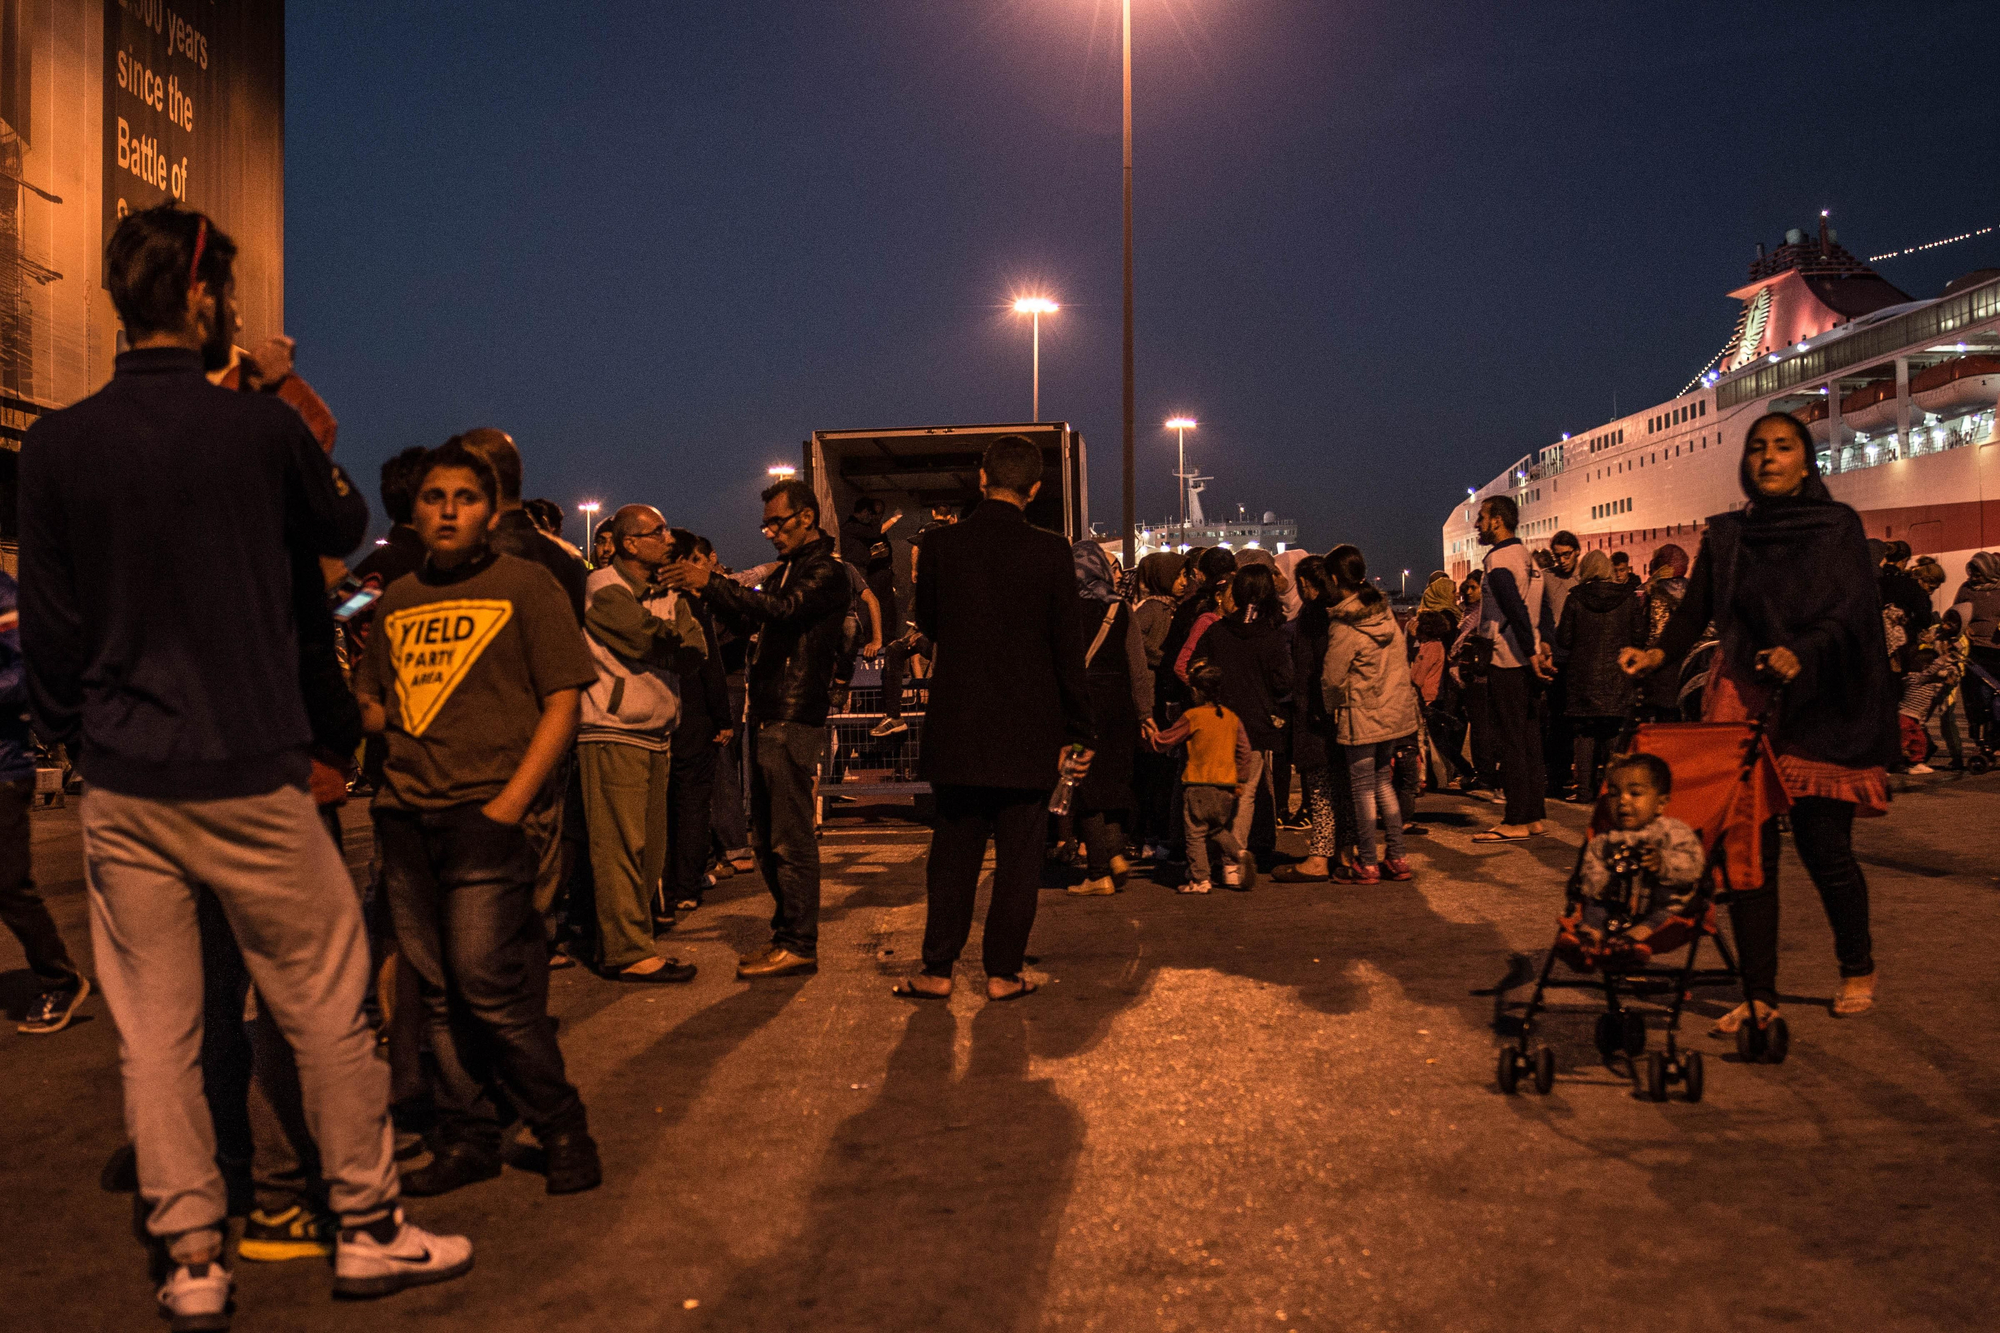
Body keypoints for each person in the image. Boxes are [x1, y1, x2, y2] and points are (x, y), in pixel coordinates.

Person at [20, 205, 470, 1322]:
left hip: (129, 775)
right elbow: (343, 525)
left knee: (160, 1033)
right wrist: (270, 390)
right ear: (206, 297)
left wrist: (81, 732)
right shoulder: (258, 429)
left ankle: (190, 1258)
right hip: (254, 764)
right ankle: (366, 1229)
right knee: (323, 1006)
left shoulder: (58, 442)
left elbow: (54, 628)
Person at [357, 440, 602, 1201]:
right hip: (406, 814)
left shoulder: (526, 585)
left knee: (485, 981)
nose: (448, 510)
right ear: (415, 511)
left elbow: (564, 699)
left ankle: (563, 1125)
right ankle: (469, 1136)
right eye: (433, 497)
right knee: (430, 992)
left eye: (465, 496)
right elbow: (375, 701)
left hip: (488, 814)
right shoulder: (396, 598)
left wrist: (508, 805)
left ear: (491, 510)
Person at [1623, 411, 1896, 1029]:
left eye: (1783, 447)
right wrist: (1657, 653)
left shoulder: (1836, 526)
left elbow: (1851, 610)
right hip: (1744, 702)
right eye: (1757, 449)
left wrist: (1803, 652)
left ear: (1805, 460)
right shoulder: (1728, 534)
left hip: (1820, 703)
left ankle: (1858, 964)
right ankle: (1760, 993)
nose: (1768, 458)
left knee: (1827, 850)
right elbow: (1695, 612)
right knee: (1750, 857)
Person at [891, 436, 1092, 1000]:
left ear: (981, 479)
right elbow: (1066, 651)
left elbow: (929, 622)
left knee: (952, 855)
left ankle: (937, 970)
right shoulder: (1052, 552)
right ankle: (1002, 973)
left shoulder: (940, 547)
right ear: (1035, 489)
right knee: (1018, 861)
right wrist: (1080, 730)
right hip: (1031, 729)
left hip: (960, 724)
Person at [661, 477, 849, 979]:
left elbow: (782, 613)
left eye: (777, 522)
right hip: (769, 713)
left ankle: (798, 943)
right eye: (765, 523)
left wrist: (712, 583)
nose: (769, 532)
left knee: (789, 837)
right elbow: (752, 620)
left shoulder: (826, 572)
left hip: (792, 715)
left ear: (807, 517)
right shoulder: (788, 570)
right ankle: (786, 936)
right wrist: (705, 591)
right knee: (766, 838)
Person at [576, 505, 707, 982]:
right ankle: (626, 950)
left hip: (655, 734)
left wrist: (674, 637)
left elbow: (697, 650)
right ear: (630, 543)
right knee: (618, 848)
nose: (669, 539)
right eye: (658, 532)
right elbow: (642, 639)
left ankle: (632, 937)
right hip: (613, 731)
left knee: (649, 848)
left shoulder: (669, 593)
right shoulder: (604, 588)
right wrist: (674, 640)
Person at [0, 567, 90, 1034]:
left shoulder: (3, 593)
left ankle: (60, 978)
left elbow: (24, 675)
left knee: (8, 884)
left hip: (3, 766)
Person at [1185, 562, 1292, 886]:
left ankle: (1209, 857)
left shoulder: (1216, 631)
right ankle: (1234, 860)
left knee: (1215, 789)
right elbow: (1284, 682)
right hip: (1256, 726)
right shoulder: (1272, 636)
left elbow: (1194, 667)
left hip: (1218, 723)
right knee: (1245, 794)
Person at [1555, 753, 1706, 972]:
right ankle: (1587, 942)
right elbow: (1591, 869)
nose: (1623, 801)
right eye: (1614, 794)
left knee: (1661, 914)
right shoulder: (1606, 839)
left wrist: (1663, 864)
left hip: (1661, 906)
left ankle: (1628, 945)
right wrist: (1602, 882)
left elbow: (1693, 867)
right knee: (1595, 909)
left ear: (1661, 803)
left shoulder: (1673, 832)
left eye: (1635, 793)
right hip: (1616, 906)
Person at [1321, 548, 1419, 883]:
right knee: (1383, 783)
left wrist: (1330, 708)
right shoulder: (1384, 612)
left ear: (1335, 579)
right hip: (1392, 711)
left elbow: (1333, 677)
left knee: (1362, 788)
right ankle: (1398, 856)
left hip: (1362, 712)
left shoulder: (1344, 622)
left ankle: (1368, 861)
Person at [1066, 541, 1152, 895]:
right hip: (1119, 707)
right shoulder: (1122, 608)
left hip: (1082, 704)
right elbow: (1138, 666)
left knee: (1084, 785)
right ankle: (1116, 855)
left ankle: (1098, 871)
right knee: (1114, 781)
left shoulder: (1066, 609)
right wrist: (1145, 713)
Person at [1471, 496, 1548, 842]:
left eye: (1482, 517)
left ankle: (1515, 817)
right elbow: (1538, 610)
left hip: (1508, 658)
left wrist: (1530, 651)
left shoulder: (1499, 560)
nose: (1478, 524)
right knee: (1530, 738)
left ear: (1498, 521)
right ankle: (1534, 815)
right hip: (1527, 660)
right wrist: (1542, 645)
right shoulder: (1528, 559)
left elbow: (1513, 607)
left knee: (1510, 741)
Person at [1272, 557, 1354, 882]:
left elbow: (1311, 672)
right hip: (1345, 715)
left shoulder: (1311, 616)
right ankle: (1347, 853)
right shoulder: (1345, 612)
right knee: (1345, 789)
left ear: (1307, 584)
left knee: (1320, 789)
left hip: (1317, 715)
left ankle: (1320, 857)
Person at [663, 531, 732, 911]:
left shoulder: (642, 598)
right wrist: (723, 717)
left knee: (664, 806)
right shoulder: (691, 604)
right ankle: (686, 886)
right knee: (692, 805)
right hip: (695, 716)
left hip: (658, 715)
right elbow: (710, 664)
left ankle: (665, 884)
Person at [1142, 664, 1250, 895]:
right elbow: (1244, 750)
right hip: (1226, 787)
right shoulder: (1231, 718)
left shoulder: (1193, 716)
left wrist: (1151, 737)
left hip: (1198, 785)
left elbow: (1165, 741)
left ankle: (1200, 880)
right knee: (1217, 829)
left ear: (1195, 692)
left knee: (1195, 833)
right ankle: (1238, 853)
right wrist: (1240, 779)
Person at [1554, 550, 1645, 800]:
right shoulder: (1627, 598)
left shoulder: (1575, 598)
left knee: (1584, 734)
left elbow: (1564, 638)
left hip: (1583, 678)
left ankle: (1583, 790)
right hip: (1618, 677)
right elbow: (1639, 636)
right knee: (1612, 734)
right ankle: (1610, 790)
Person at [1952, 552, 2000, 750]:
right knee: (1977, 698)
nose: (1973, 577)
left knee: (1997, 699)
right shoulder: (1966, 589)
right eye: (1971, 572)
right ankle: (1982, 742)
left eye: (1977, 573)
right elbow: (1954, 613)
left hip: (1998, 652)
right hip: (1976, 652)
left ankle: (1996, 740)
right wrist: (1963, 626)